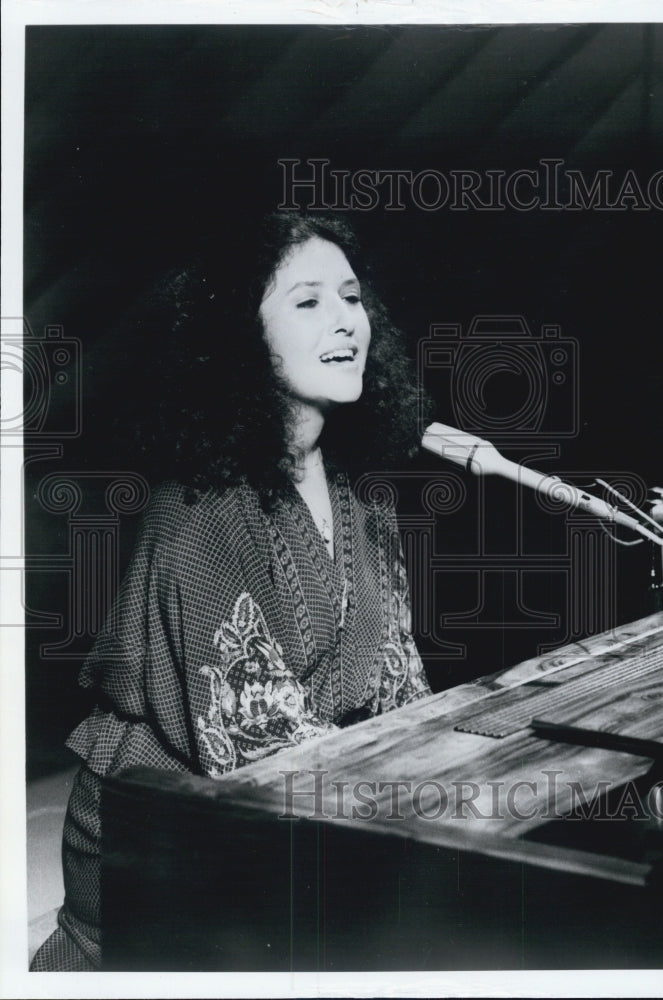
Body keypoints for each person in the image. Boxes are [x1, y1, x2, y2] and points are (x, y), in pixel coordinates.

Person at [31, 212, 432, 971]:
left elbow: (401, 694)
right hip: (162, 849)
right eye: (307, 301)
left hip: (294, 818)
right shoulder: (198, 514)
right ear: (238, 338)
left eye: (351, 298)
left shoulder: (363, 498)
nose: (346, 320)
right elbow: (260, 752)